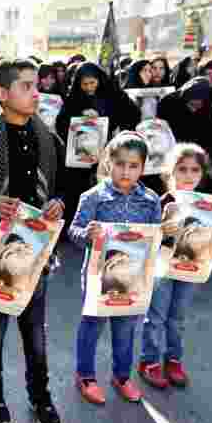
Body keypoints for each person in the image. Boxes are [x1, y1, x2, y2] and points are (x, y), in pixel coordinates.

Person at [0, 59, 65, 423]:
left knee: (34, 330)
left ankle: (40, 397)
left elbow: (63, 187)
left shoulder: (49, 139)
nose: (35, 91)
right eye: (26, 86)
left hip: (38, 251)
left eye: (36, 84)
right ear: (2, 94)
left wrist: (59, 202)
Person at [137, 143, 212, 389]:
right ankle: (148, 361)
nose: (188, 175)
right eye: (182, 169)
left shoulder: (210, 204)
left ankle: (173, 359)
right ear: (170, 172)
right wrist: (163, 224)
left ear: (202, 173)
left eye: (195, 170)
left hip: (191, 267)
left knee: (177, 318)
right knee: (157, 317)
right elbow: (147, 236)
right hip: (162, 267)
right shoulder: (162, 201)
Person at [69, 132, 162, 405]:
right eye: (120, 164)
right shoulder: (92, 197)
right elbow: (73, 232)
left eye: (134, 166)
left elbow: (155, 240)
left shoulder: (151, 200)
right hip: (98, 275)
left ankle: (122, 376)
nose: (126, 171)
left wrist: (161, 234)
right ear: (109, 163)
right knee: (92, 325)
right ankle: (85, 375)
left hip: (132, 276)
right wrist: (88, 233)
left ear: (143, 168)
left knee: (125, 327)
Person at [55, 61, 140, 226]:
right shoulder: (74, 99)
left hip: (107, 151)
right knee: (78, 190)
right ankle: (77, 226)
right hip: (79, 155)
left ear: (99, 80)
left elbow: (131, 114)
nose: (89, 87)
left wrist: (105, 118)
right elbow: (61, 124)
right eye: (84, 84)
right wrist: (80, 117)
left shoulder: (112, 94)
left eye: (92, 83)